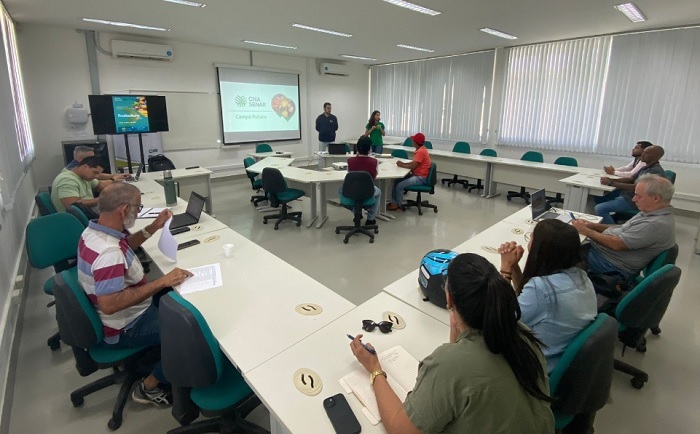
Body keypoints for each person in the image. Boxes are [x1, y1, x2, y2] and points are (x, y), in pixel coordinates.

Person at [349, 253, 554, 433]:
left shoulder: (450, 365)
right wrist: (456, 324)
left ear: (449, 299)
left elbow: (399, 428)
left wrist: (374, 368)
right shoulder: (521, 332)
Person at [77, 182, 193, 406]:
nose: (139, 212)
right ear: (123, 210)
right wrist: (163, 280)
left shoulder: (93, 232)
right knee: (188, 334)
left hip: (123, 314)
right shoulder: (108, 253)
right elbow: (110, 304)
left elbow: (125, 245)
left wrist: (154, 226)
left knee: (177, 297)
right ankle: (150, 385)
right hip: (126, 326)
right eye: (138, 208)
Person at [498, 219, 597, 373]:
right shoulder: (580, 275)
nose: (529, 240)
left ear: (541, 249)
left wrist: (505, 270)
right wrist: (514, 266)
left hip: (536, 364)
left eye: (532, 237)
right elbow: (525, 296)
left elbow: (499, 319)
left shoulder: (542, 289)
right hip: (560, 356)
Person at [574, 174, 676, 281]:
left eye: (638, 196)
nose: (633, 199)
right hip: (607, 255)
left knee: (560, 250)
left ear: (655, 198)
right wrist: (592, 225)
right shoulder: (651, 212)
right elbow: (622, 227)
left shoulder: (654, 224)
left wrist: (585, 230)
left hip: (610, 265)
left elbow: (616, 244)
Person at [595, 145, 666, 224]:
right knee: (597, 196)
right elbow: (630, 179)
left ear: (656, 156)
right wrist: (611, 180)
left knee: (600, 208)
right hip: (628, 194)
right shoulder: (646, 167)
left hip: (635, 199)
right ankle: (599, 221)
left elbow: (635, 187)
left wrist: (611, 183)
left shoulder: (655, 171)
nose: (642, 154)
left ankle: (612, 231)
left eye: (646, 153)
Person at [388, 132, 431, 211]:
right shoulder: (422, 149)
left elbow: (413, 166)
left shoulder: (420, 152)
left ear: (415, 142)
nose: (412, 142)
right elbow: (414, 163)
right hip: (418, 175)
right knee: (397, 181)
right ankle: (394, 202)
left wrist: (401, 165)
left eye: (413, 140)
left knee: (400, 185)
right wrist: (403, 163)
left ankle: (398, 205)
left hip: (420, 178)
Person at [345, 136, 382, 225]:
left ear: (357, 148)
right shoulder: (375, 161)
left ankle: (356, 213)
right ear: (370, 149)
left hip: (352, 191)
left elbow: (350, 174)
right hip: (368, 191)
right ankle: (370, 219)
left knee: (341, 190)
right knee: (379, 192)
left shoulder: (350, 161)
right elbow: (374, 176)